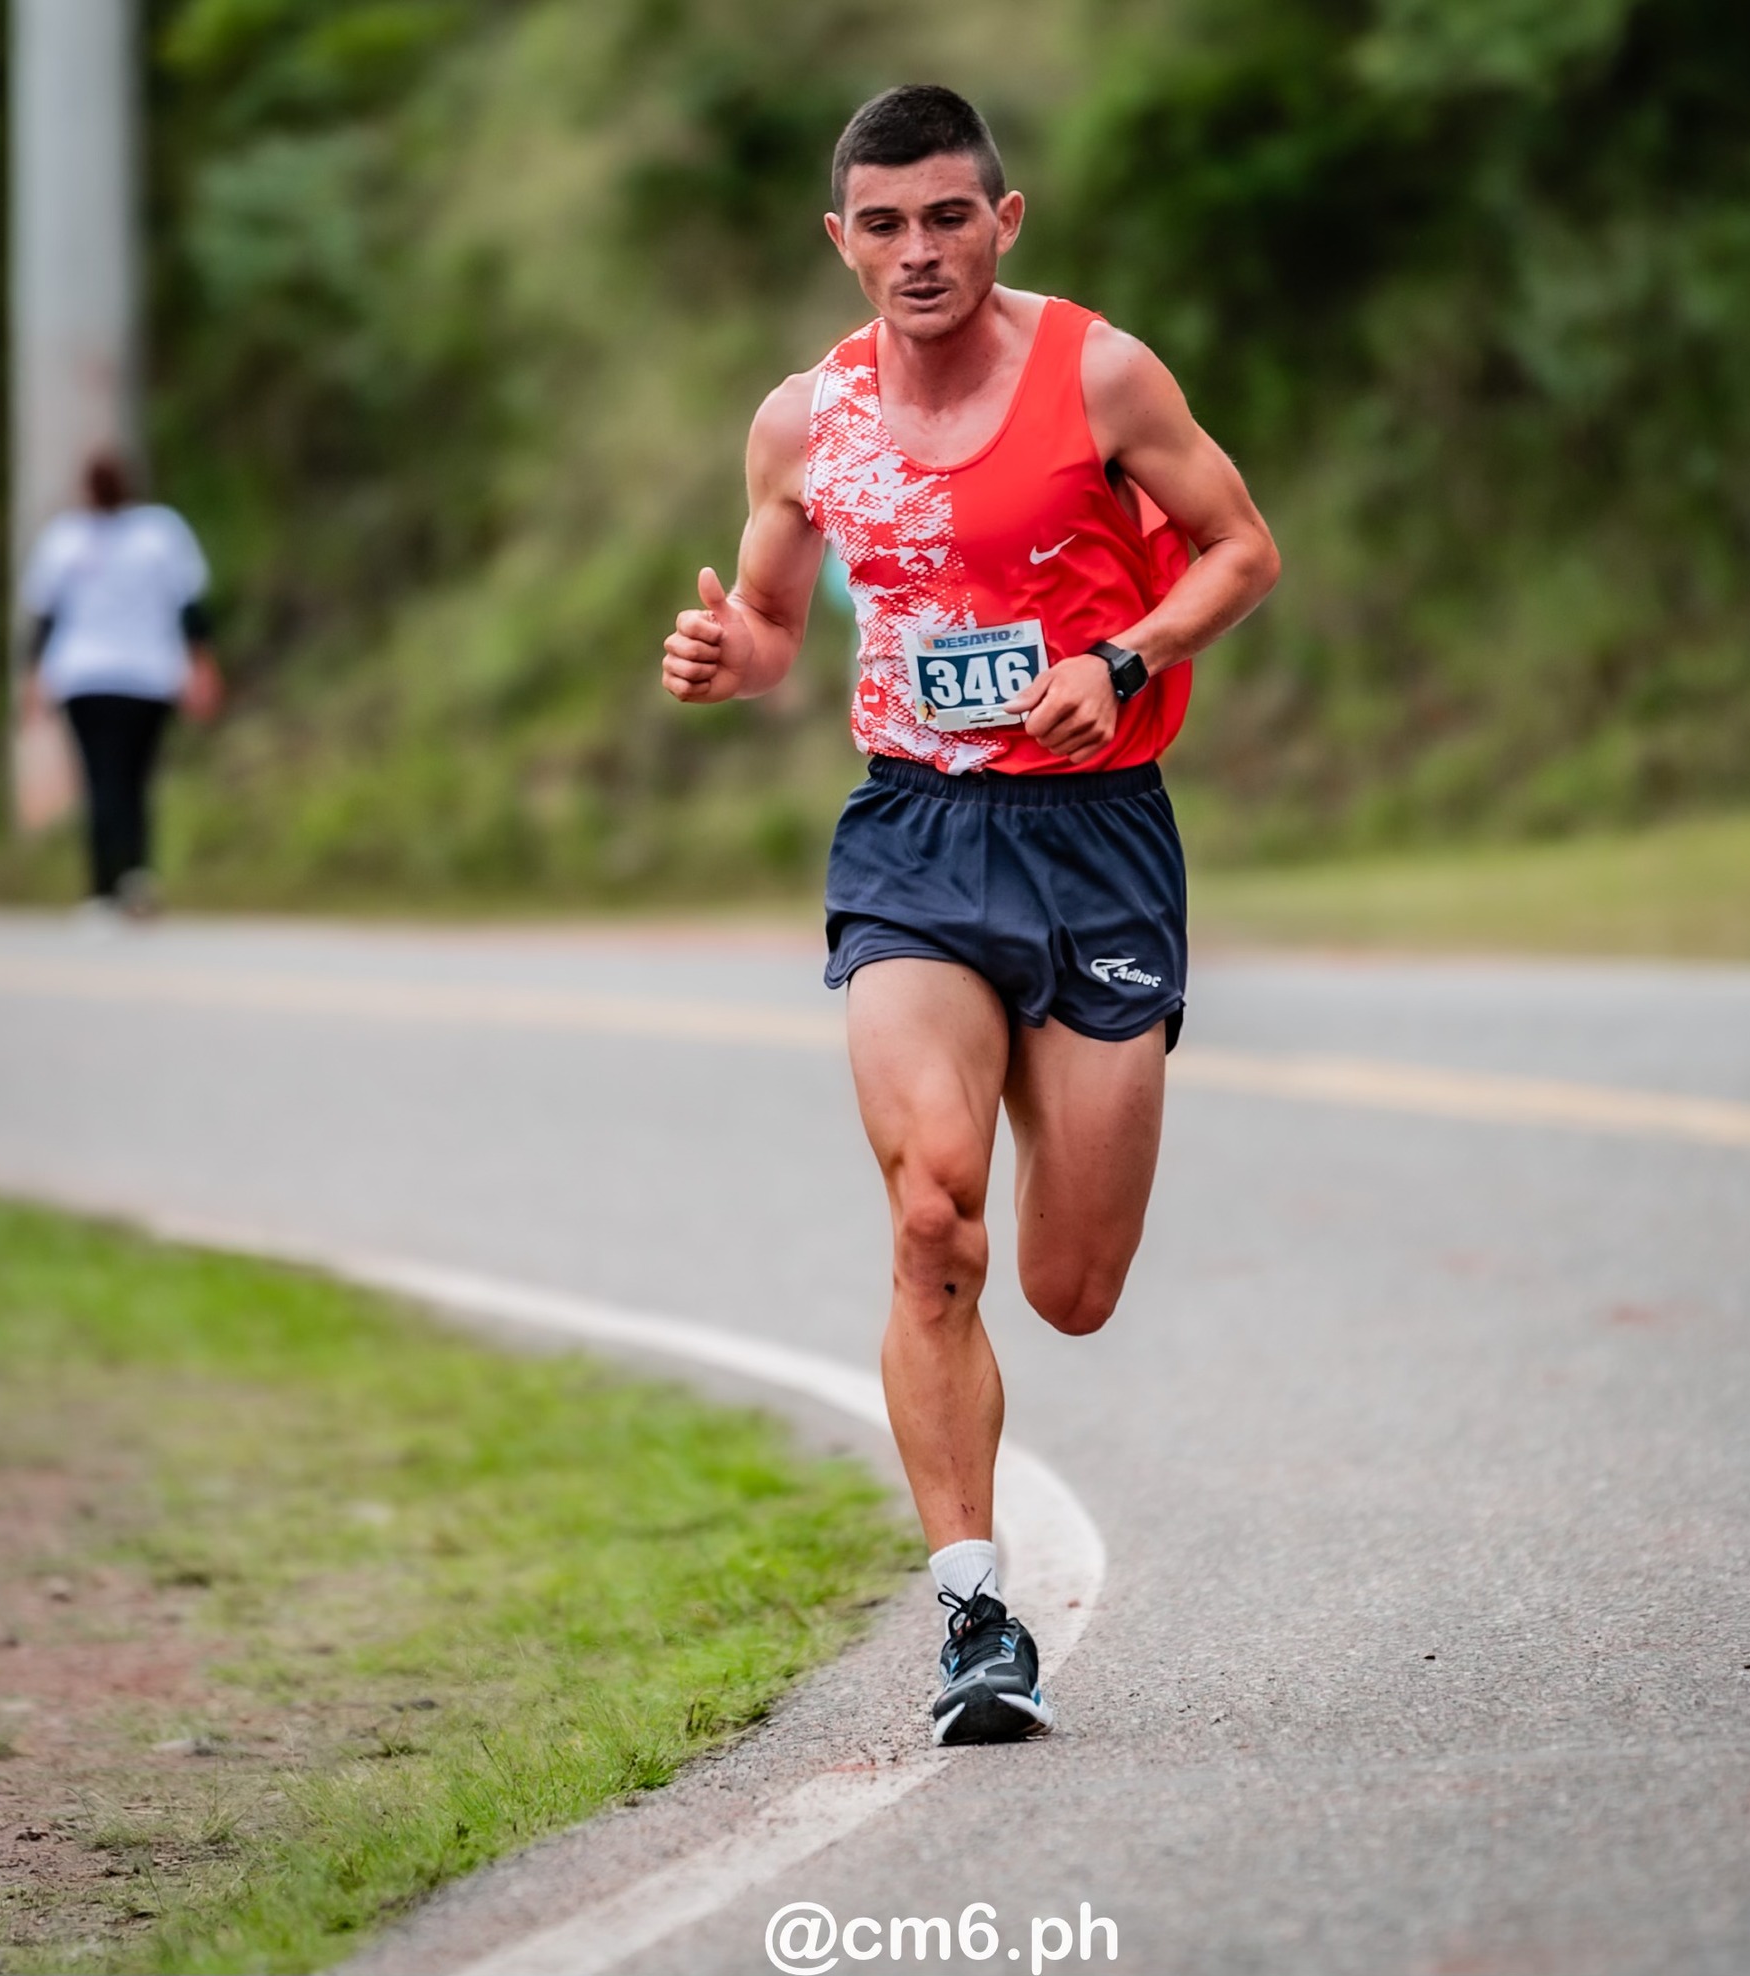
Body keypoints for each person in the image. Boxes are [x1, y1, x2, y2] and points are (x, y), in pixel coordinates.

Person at [661, 86, 1278, 1745]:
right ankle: (972, 1619)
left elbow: (1237, 550)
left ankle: (1054, 1083)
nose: (915, 251)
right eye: (883, 222)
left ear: (1003, 222)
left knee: (1070, 1284)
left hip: (1097, 837)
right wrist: (729, 661)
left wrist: (1122, 657)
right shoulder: (804, 422)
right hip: (916, 843)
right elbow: (780, 628)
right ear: (838, 238)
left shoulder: (1099, 372)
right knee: (932, 1217)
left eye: (947, 217)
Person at [20, 454, 221, 917]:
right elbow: (190, 609)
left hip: (86, 677)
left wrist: (34, 680)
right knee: (134, 781)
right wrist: (203, 667)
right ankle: (135, 875)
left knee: (102, 782)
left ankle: (103, 889)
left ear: (85, 489)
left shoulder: (65, 539)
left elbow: (44, 621)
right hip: (148, 677)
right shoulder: (161, 532)